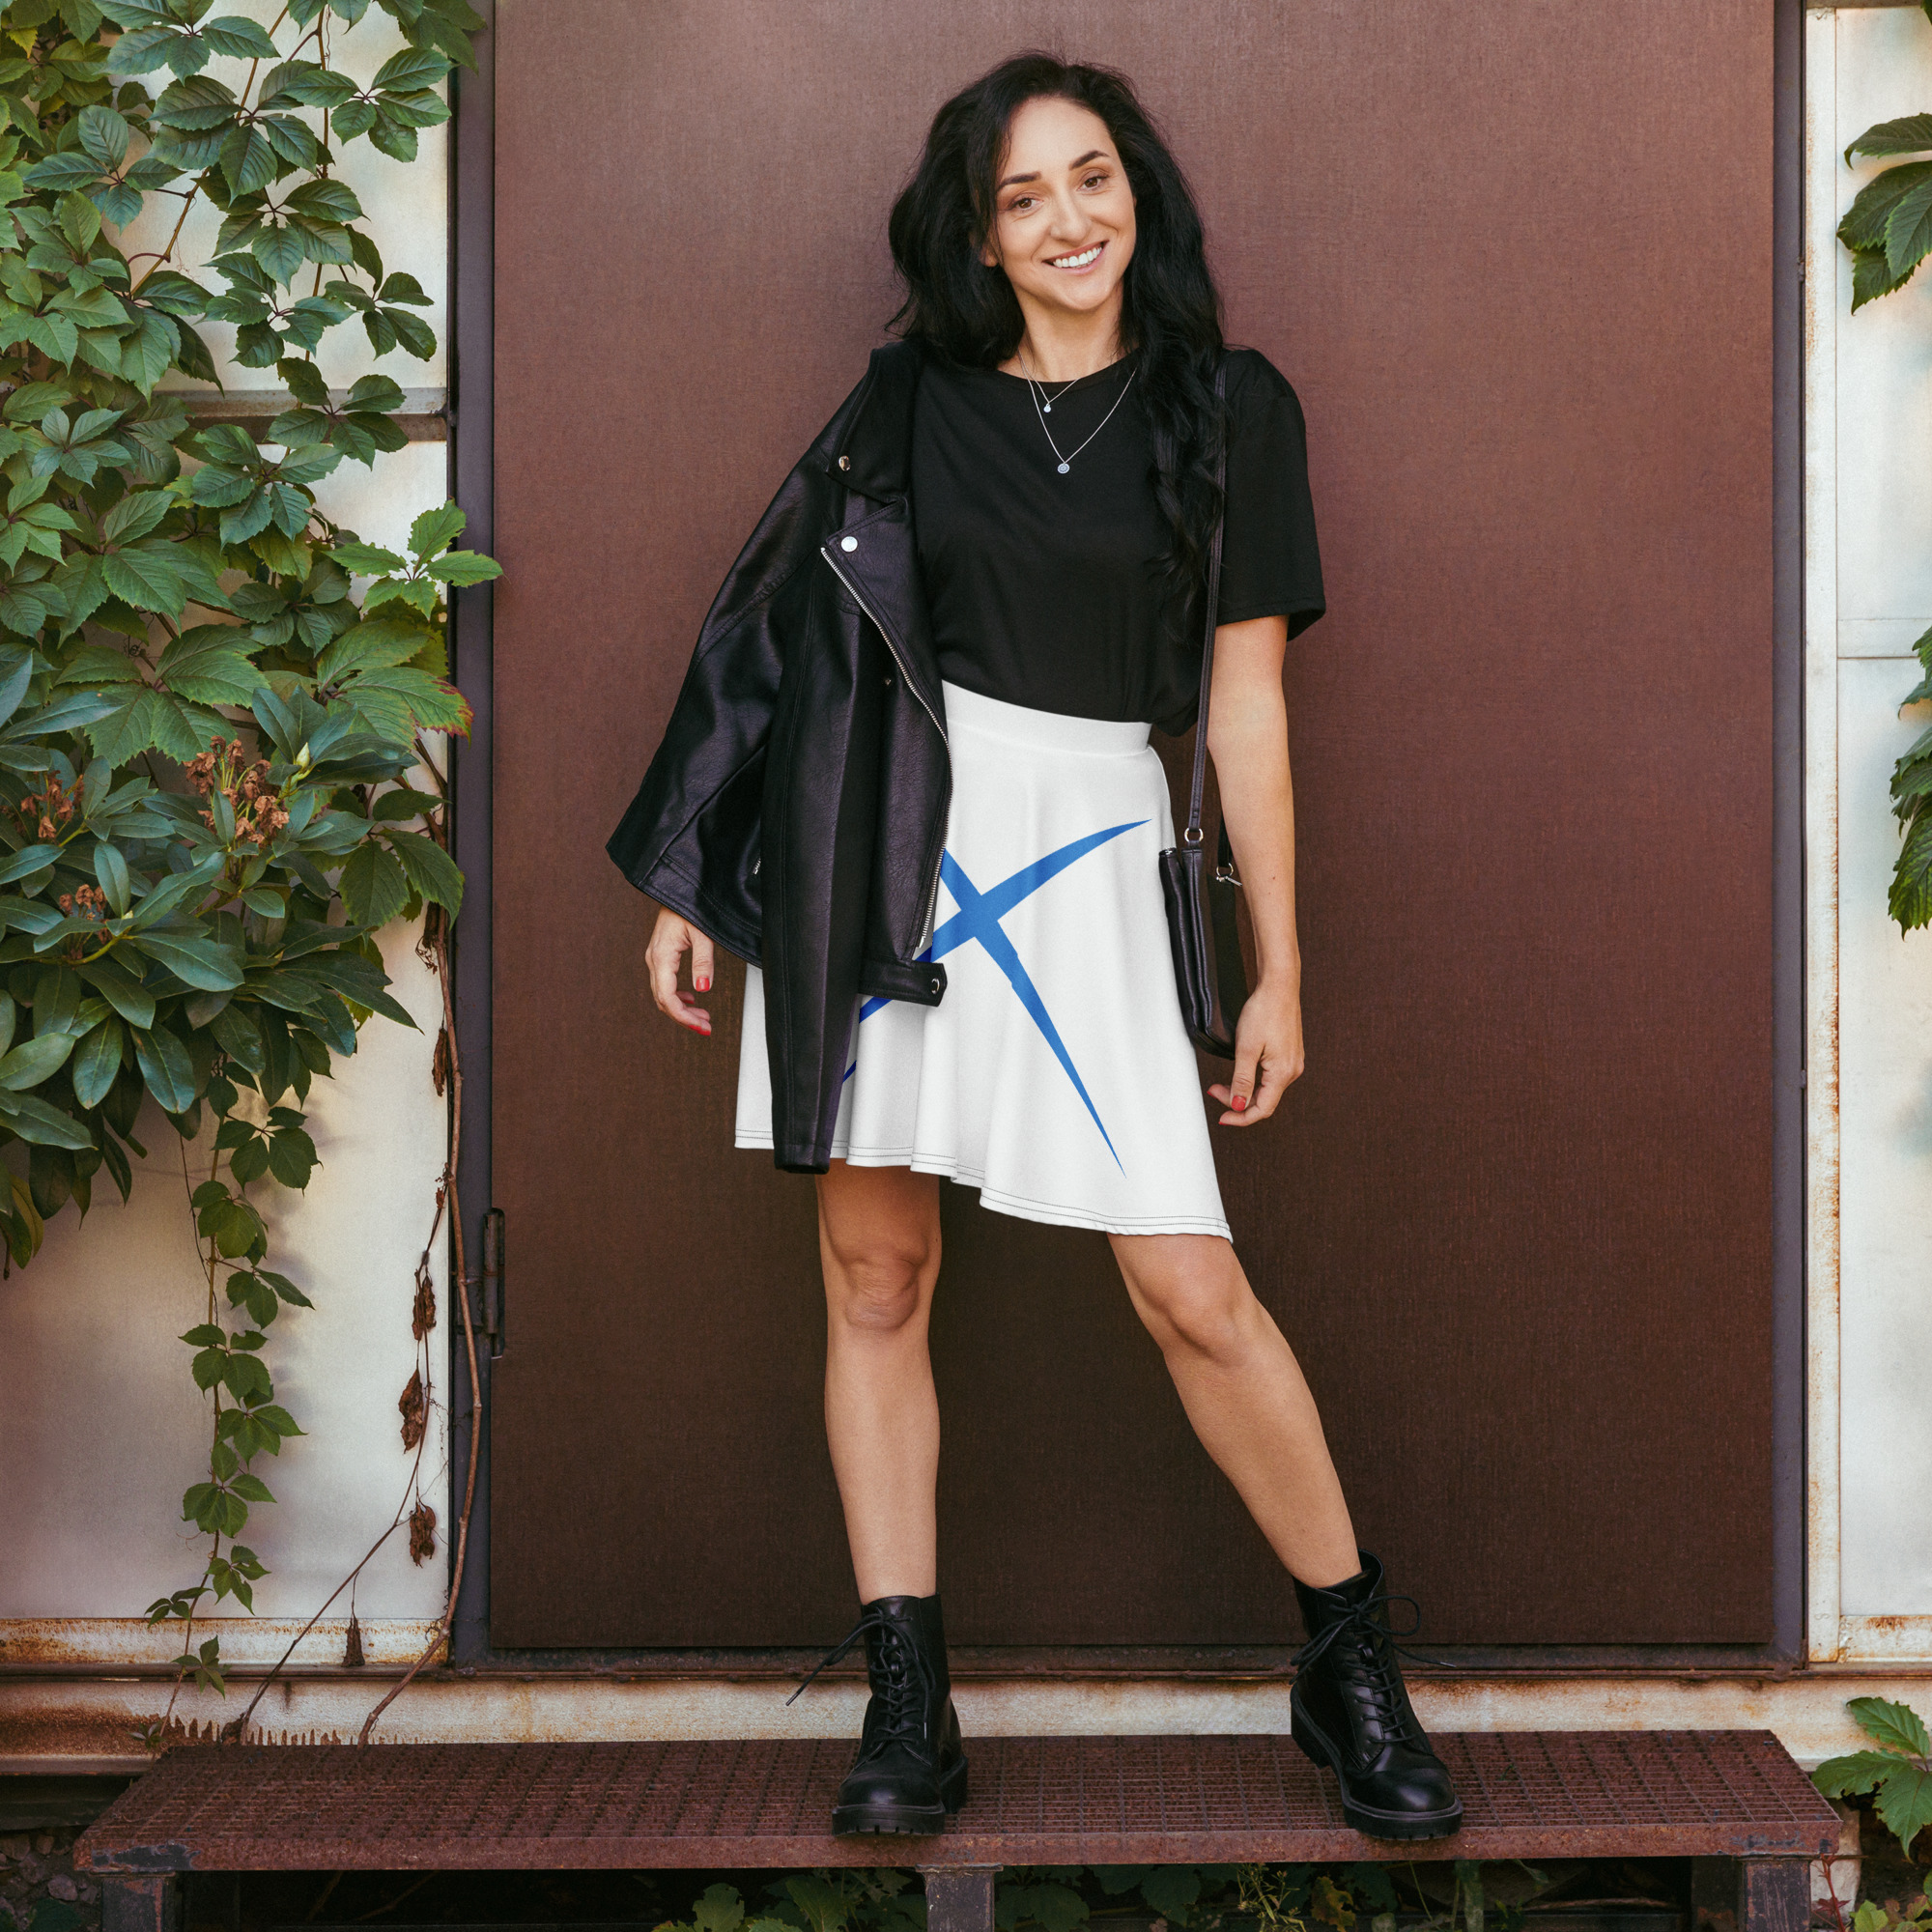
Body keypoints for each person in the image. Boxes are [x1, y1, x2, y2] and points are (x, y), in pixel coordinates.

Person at [609, 52, 1462, 1844]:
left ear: (1137, 192)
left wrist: (1279, 969)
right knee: (875, 1276)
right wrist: (692, 872)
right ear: (979, 238)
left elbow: (1246, 711)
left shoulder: (1231, 407)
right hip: (882, 850)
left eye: (1092, 178)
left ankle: (1349, 1664)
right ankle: (907, 1704)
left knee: (1191, 1288)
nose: (1068, 219)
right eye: (1022, 197)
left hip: (1091, 852)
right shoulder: (906, 402)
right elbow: (768, 629)